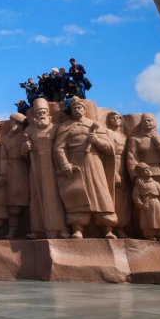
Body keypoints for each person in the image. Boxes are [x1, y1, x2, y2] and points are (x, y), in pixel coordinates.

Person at [53, 98, 117, 239]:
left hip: (94, 162)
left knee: (101, 194)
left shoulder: (95, 125)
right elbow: (58, 148)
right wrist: (64, 164)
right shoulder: (65, 127)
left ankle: (107, 229)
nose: (77, 110)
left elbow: (110, 148)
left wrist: (97, 141)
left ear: (84, 110)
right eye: (74, 108)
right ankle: (78, 228)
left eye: (80, 108)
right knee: (77, 195)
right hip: (76, 163)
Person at [22, 98, 68, 239]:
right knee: (36, 197)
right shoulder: (29, 130)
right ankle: (38, 229)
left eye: (44, 112)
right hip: (35, 166)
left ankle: (60, 228)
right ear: (34, 116)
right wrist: (25, 148)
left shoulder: (56, 127)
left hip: (52, 165)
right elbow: (22, 152)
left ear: (49, 115)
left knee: (54, 197)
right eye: (38, 112)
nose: (41, 114)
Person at [126, 113, 160, 238]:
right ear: (141, 124)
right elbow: (131, 159)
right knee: (148, 209)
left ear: (155, 122)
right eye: (144, 121)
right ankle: (149, 235)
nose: (148, 123)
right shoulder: (135, 139)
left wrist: (159, 144)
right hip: (145, 177)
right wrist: (136, 178)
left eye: (150, 120)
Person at [0, 113, 29, 238]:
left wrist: (26, 151)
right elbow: (3, 158)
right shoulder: (5, 139)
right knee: (13, 202)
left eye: (14, 122)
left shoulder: (26, 136)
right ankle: (12, 230)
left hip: (26, 169)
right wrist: (3, 172)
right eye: (11, 122)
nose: (11, 125)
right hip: (12, 171)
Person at [132, 163, 160, 240]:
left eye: (148, 169)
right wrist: (141, 204)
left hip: (156, 203)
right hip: (146, 204)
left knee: (159, 219)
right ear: (141, 173)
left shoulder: (156, 184)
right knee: (147, 221)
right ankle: (149, 235)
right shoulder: (140, 184)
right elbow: (135, 195)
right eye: (145, 171)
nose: (147, 172)